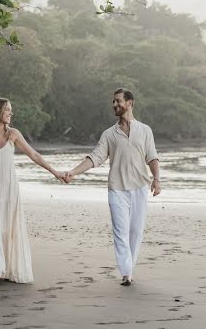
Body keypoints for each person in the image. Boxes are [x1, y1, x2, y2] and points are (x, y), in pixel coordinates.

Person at [63, 88, 161, 286]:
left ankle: (129, 267)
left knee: (136, 231)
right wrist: (74, 171)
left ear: (130, 103)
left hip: (140, 187)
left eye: (118, 101)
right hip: (117, 189)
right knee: (120, 231)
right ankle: (126, 273)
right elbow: (95, 157)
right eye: (114, 102)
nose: (115, 105)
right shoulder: (109, 134)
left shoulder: (145, 130)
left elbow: (152, 156)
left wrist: (157, 179)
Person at [0, 98, 64, 283]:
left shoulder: (14, 134)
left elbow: (34, 154)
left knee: (7, 226)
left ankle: (5, 268)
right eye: (8, 110)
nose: (11, 113)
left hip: (9, 189)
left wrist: (55, 172)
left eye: (11, 110)